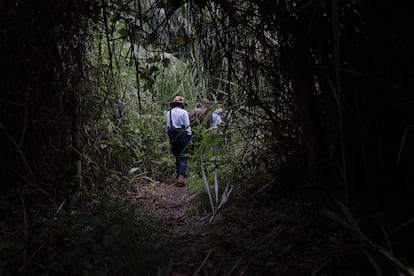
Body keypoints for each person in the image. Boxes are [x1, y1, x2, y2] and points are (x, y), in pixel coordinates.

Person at [166, 95, 192, 186]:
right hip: (182, 135)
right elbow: (187, 126)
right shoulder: (184, 112)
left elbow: (168, 127)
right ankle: (181, 176)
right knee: (183, 155)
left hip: (173, 136)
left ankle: (178, 176)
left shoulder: (169, 113)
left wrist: (170, 138)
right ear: (181, 104)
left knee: (177, 155)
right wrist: (189, 137)